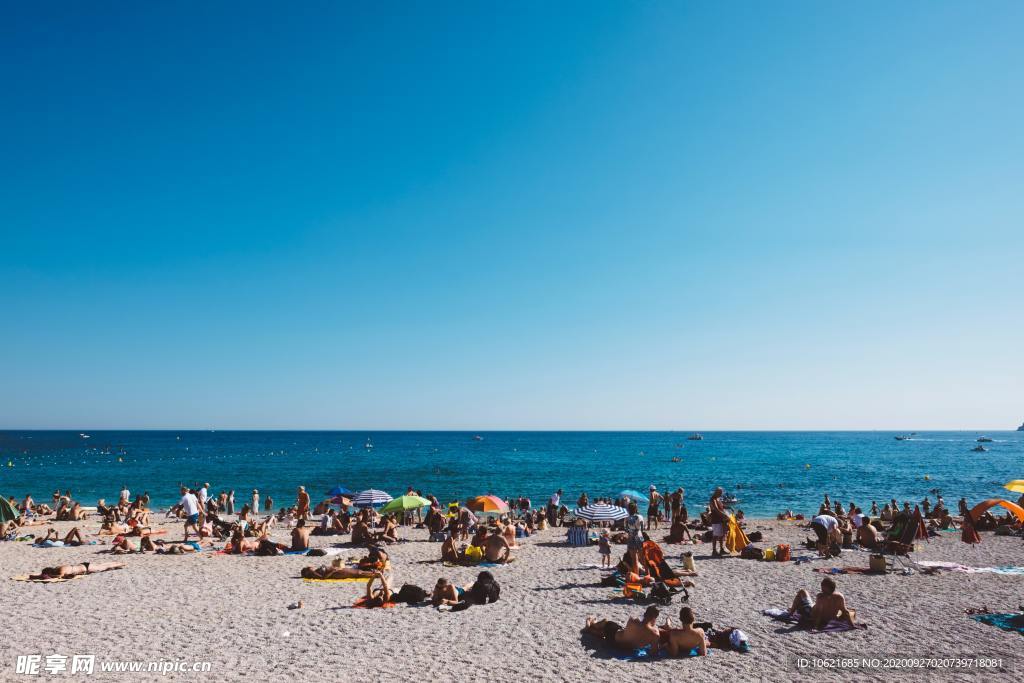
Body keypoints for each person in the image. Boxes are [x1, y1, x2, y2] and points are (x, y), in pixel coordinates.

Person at [582, 606, 662, 652]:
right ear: (655, 618)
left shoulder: (633, 621)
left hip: (614, 637)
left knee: (606, 623)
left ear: (645, 614)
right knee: (601, 633)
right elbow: (654, 651)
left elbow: (628, 630)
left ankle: (591, 623)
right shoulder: (655, 633)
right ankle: (592, 626)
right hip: (621, 647)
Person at [790, 577, 856, 629]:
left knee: (802, 591)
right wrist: (852, 625)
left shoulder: (821, 597)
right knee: (811, 603)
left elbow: (819, 613)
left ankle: (790, 613)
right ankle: (792, 610)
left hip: (810, 613)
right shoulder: (840, 597)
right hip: (831, 618)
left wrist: (816, 626)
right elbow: (845, 611)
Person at [28, 561, 126, 581]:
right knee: (104, 566)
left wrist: (46, 577)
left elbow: (59, 576)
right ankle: (117, 563)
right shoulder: (57, 568)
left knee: (105, 567)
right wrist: (36, 576)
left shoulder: (61, 570)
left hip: (86, 568)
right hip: (83, 566)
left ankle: (120, 563)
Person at [708, 487, 727, 557]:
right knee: (715, 535)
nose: (721, 494)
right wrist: (724, 515)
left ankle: (722, 549)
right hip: (715, 519)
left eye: (721, 493)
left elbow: (721, 506)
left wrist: (728, 507)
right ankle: (714, 551)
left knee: (722, 534)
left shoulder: (718, 498)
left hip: (720, 519)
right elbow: (716, 509)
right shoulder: (713, 499)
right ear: (716, 492)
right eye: (720, 493)